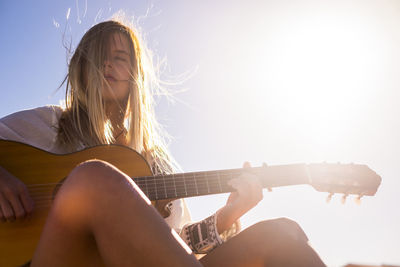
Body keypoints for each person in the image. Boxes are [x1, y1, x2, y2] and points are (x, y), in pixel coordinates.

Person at [0, 18, 326, 266]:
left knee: (282, 234)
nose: (107, 65)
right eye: (97, 56)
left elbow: (172, 245)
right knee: (91, 179)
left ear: (135, 76)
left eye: (119, 57)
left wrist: (227, 216)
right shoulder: (48, 124)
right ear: (80, 68)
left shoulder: (155, 162)